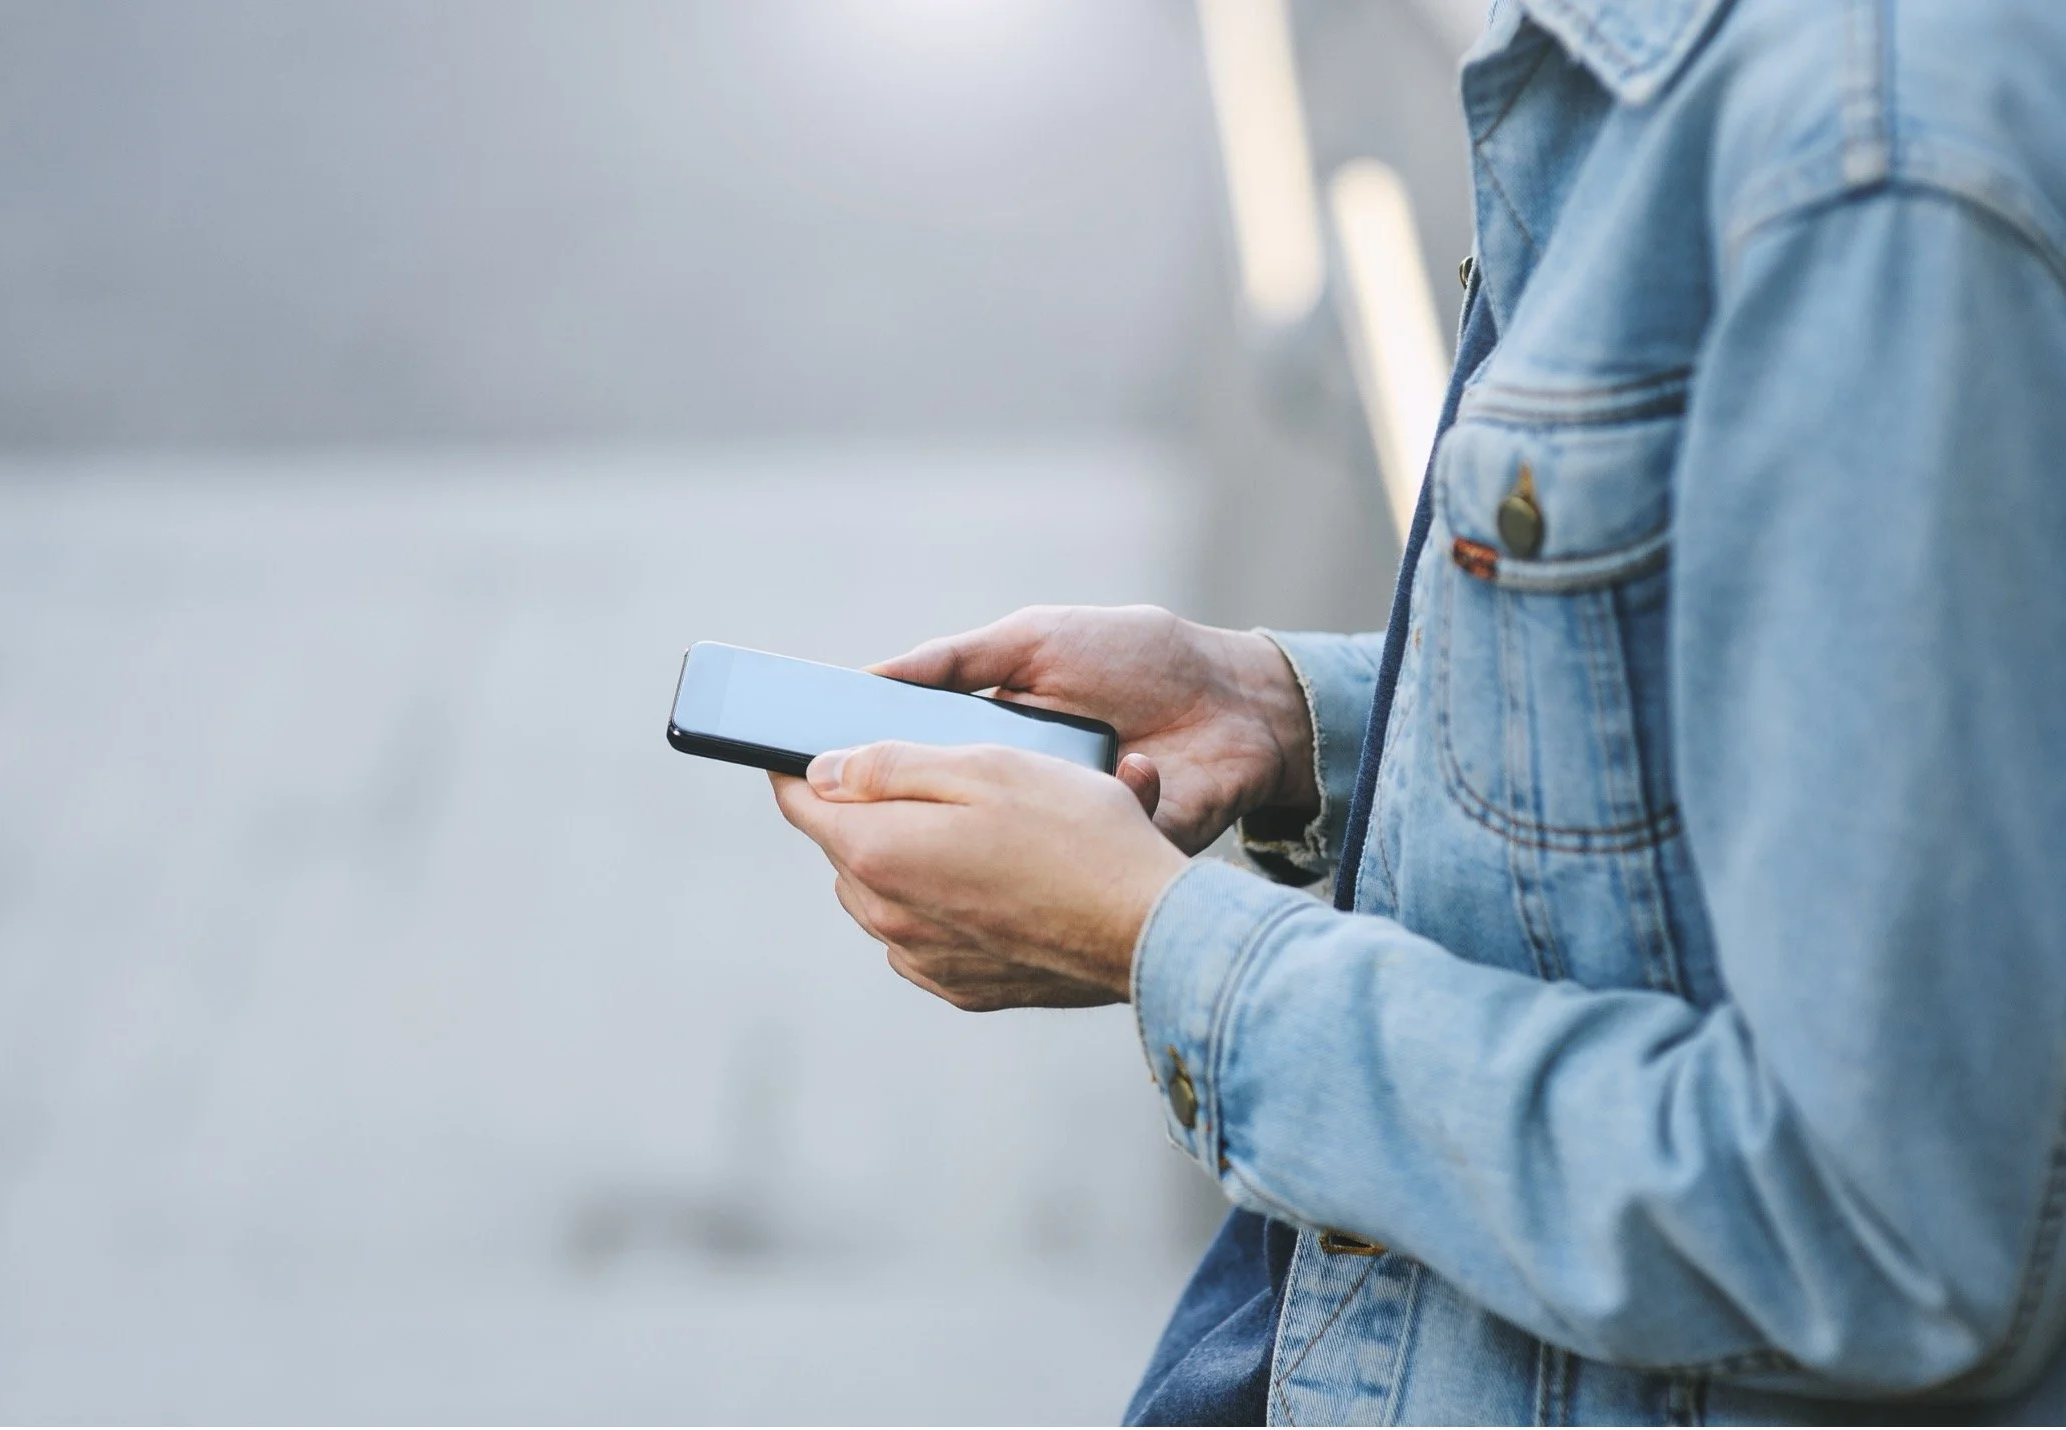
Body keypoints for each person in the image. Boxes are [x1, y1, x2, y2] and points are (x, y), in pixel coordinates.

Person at [770, 0, 2066, 1421]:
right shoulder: (1681, 73)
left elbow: (1887, 1228)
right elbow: (1777, 713)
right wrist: (1286, 712)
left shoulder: (1868, 161)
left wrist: (1169, 946)